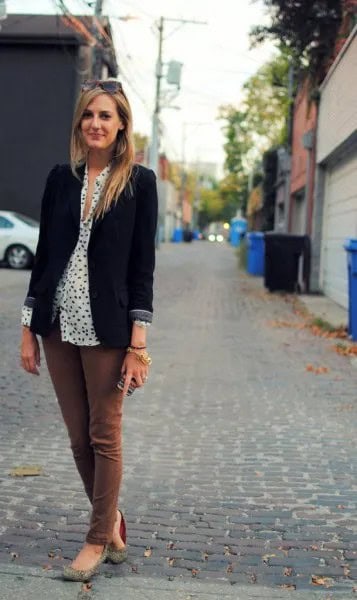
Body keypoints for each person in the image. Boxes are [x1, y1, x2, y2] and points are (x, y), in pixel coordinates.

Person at [20, 79, 158, 582]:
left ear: (121, 124)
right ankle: (114, 523)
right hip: (57, 325)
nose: (95, 124)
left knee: (105, 435)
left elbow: (142, 266)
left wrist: (137, 346)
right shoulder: (61, 178)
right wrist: (28, 329)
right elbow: (44, 257)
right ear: (79, 124)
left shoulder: (139, 182)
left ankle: (97, 537)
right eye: (88, 116)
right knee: (79, 439)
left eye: (105, 115)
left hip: (108, 331)